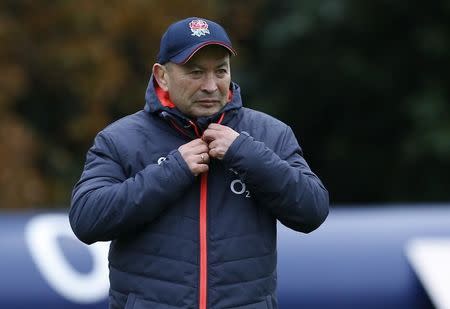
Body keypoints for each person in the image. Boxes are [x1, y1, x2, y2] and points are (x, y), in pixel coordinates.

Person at [69, 17, 329, 309]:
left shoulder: (269, 134)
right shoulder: (120, 139)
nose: (210, 86)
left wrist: (246, 153)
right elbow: (86, 220)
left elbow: (313, 210)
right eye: (195, 72)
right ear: (161, 75)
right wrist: (173, 170)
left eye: (221, 71)